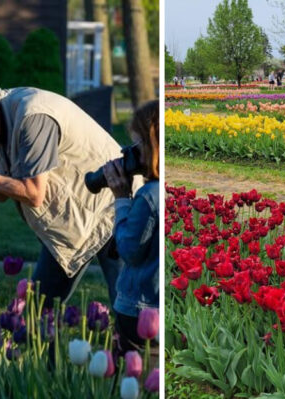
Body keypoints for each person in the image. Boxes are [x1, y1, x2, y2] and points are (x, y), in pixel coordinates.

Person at [0, 74, 138, 309]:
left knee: (130, 311)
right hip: (71, 224)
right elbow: (0, 192)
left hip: (113, 209)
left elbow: (33, 194)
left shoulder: (32, 116)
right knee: (37, 313)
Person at [102, 100, 159, 356]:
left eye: (137, 146)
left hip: (137, 308)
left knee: (133, 375)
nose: (131, 154)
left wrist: (122, 198)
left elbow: (129, 250)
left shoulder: (149, 196)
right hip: (159, 306)